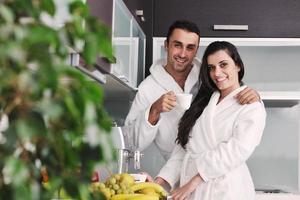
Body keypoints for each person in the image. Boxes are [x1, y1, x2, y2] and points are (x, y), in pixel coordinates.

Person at [124, 20, 260, 161]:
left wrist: (253, 95)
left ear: (196, 50)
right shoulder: (148, 88)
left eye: (190, 48)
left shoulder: (208, 76)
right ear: (166, 45)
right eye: (177, 45)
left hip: (215, 162)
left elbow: (231, 93)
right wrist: (154, 111)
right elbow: (133, 144)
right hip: (174, 168)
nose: (183, 54)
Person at [156, 41, 266, 200]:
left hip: (226, 189)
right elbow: (186, 148)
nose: (217, 73)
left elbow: (236, 150)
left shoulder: (251, 105)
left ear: (238, 66)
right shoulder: (204, 102)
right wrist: (160, 181)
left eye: (223, 65)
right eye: (211, 68)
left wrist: (193, 183)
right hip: (192, 189)